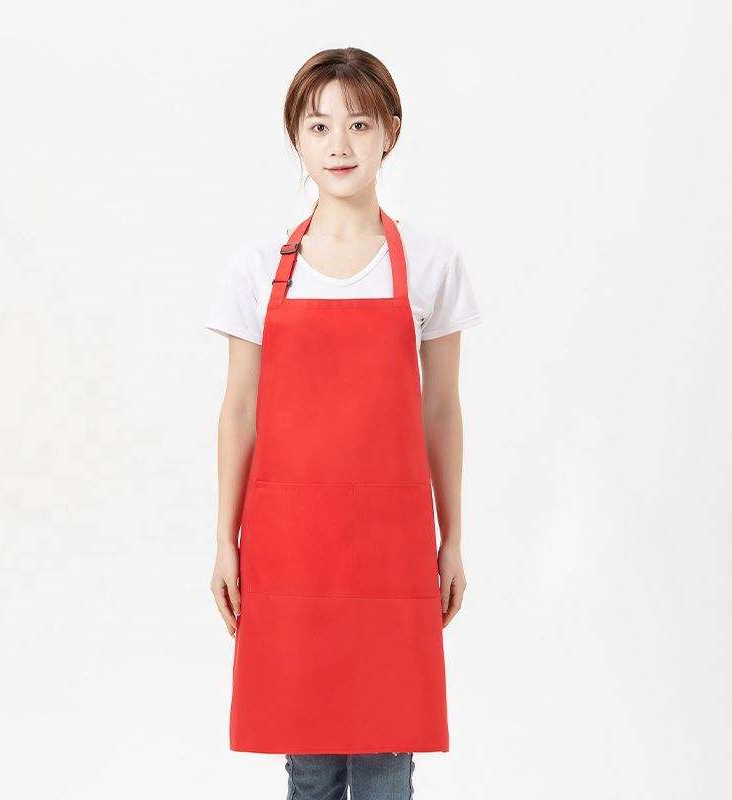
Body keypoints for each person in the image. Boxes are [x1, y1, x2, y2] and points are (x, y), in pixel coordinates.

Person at [206, 47, 481, 800]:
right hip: (291, 545)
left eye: (359, 124)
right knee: (311, 764)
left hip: (391, 547)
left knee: (388, 757)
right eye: (319, 125)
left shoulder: (432, 263)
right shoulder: (257, 266)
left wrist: (453, 538)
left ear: (390, 132)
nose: (340, 145)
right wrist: (225, 541)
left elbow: (441, 409)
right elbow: (238, 411)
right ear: (295, 137)